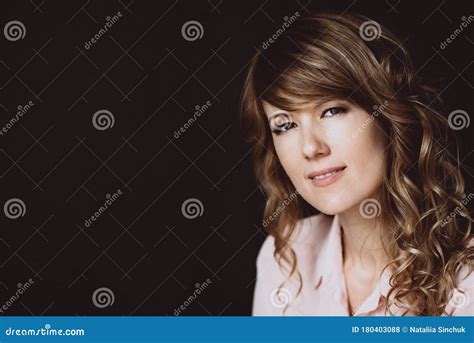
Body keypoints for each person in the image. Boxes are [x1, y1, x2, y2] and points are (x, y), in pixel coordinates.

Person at [240, 12, 473, 316]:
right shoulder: (283, 256)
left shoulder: (465, 276)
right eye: (285, 125)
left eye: (332, 111)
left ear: (388, 118)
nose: (310, 147)